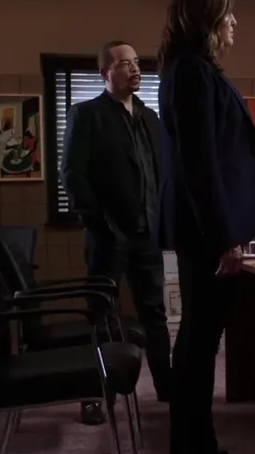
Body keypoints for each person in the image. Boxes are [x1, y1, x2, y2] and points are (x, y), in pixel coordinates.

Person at [156, 0, 255, 454]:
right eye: (228, 14)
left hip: (203, 229)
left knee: (195, 345)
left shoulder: (191, 70)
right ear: (208, 19)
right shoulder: (191, 72)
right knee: (199, 350)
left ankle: (191, 451)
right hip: (206, 234)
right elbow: (200, 165)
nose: (234, 22)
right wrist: (225, 239)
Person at [61, 40, 173, 425]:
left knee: (155, 314)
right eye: (124, 64)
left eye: (136, 62)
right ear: (105, 73)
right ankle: (95, 396)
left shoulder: (151, 118)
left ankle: (167, 387)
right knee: (102, 316)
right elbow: (73, 176)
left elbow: (160, 175)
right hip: (109, 237)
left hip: (148, 235)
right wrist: (100, 223)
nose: (134, 69)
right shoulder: (87, 115)